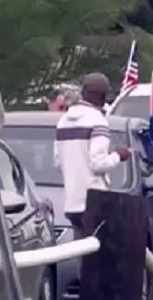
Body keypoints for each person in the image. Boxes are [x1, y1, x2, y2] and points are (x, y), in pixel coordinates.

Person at [54, 73, 131, 238]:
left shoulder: (62, 121)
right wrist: (118, 155)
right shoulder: (97, 120)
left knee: (81, 253)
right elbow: (98, 164)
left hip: (72, 203)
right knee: (98, 258)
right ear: (103, 96)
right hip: (95, 202)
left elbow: (58, 163)